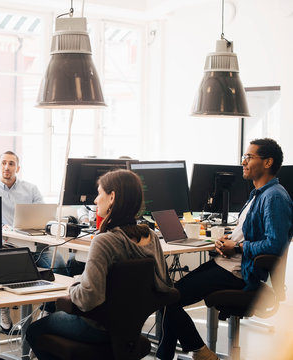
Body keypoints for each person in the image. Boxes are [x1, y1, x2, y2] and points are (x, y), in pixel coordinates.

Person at [156, 138, 293, 360]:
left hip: (238, 272)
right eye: (244, 157)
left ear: (268, 162)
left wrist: (237, 247)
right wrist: (228, 240)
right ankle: (171, 355)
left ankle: (201, 353)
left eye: (249, 157)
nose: (243, 162)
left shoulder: (275, 197)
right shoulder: (258, 194)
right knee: (170, 296)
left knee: (169, 299)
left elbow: (275, 244)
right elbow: (250, 232)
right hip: (227, 264)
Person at [26, 169, 173, 359]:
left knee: (34, 330)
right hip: (131, 328)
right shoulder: (150, 236)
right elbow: (164, 284)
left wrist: (74, 286)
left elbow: (89, 299)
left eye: (99, 193)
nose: (95, 200)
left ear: (111, 197)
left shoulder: (105, 241)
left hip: (96, 327)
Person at [0, 151, 69, 333]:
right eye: (4, 163)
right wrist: (1, 227)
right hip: (7, 244)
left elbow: (46, 216)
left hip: (34, 242)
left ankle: (47, 312)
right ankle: (2, 310)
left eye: (11, 164)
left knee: (59, 264)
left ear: (18, 168)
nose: (7, 167)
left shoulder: (31, 189)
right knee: (4, 271)